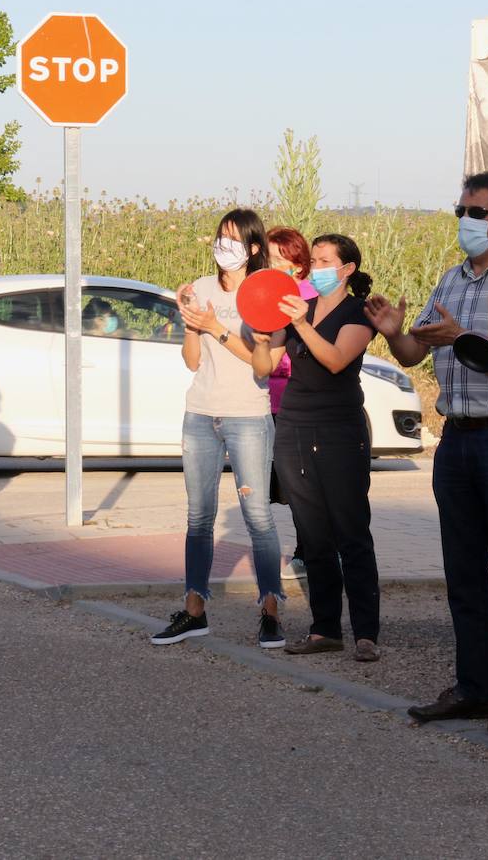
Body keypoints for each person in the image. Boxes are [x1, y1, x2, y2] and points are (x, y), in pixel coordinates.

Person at [367, 172, 488, 737]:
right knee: (463, 574)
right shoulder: (451, 279)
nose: (464, 220)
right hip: (457, 440)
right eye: (460, 209)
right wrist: (394, 333)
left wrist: (465, 336)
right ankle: (475, 689)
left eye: (474, 211)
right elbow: (415, 351)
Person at [151, 209, 286, 650]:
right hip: (200, 413)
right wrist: (191, 322)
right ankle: (194, 611)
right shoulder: (202, 288)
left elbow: (263, 366)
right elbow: (192, 360)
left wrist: (217, 328)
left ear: (252, 248)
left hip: (247, 414)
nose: (222, 246)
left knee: (258, 517)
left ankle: (270, 611)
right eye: (219, 237)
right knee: (199, 517)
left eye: (233, 240)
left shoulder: (267, 291)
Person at [250, 234, 381, 661]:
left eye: (326, 260)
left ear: (347, 269)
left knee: (351, 532)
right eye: (315, 260)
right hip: (293, 428)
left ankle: (365, 632)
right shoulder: (296, 311)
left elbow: (336, 359)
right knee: (313, 533)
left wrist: (301, 323)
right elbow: (265, 367)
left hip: (340, 430)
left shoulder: (357, 312)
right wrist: (262, 336)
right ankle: (325, 628)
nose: (317, 267)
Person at [264, 226, 318, 579]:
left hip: (299, 407)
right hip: (268, 406)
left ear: (297, 264)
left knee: (304, 486)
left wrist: (272, 353)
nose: (270, 265)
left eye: (278, 259)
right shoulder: (263, 295)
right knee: (284, 486)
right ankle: (307, 550)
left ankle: (309, 553)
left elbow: (300, 356)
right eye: (268, 258)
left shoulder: (308, 299)